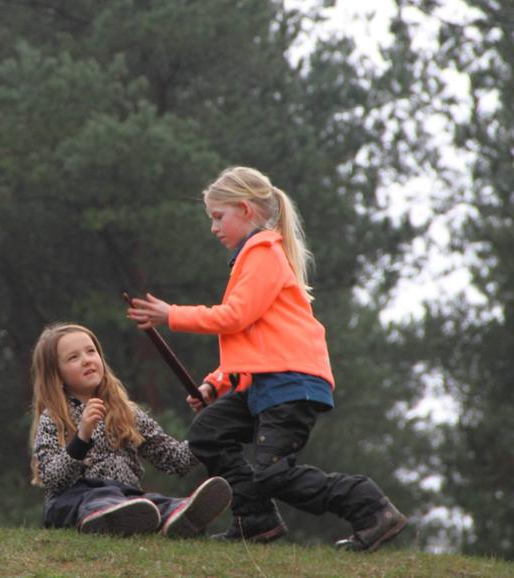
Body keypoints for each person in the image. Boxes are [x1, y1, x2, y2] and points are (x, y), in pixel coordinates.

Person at [126, 166, 407, 552]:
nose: (213, 228)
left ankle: (371, 508)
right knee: (209, 433)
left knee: (273, 474)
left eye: (218, 217)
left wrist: (171, 315)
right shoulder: (250, 258)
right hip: (265, 383)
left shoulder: (263, 255)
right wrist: (216, 383)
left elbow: (234, 318)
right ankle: (254, 519)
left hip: (291, 384)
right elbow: (252, 339)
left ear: (244, 209)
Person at [29, 323, 232, 537]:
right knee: (101, 496)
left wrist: (208, 431)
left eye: (91, 351)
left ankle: (179, 516)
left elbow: (174, 459)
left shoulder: (126, 412)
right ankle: (106, 517)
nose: (87, 359)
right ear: (57, 375)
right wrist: (82, 436)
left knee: (153, 502)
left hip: (125, 497)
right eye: (73, 358)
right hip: (72, 502)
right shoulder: (53, 417)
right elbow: (53, 479)